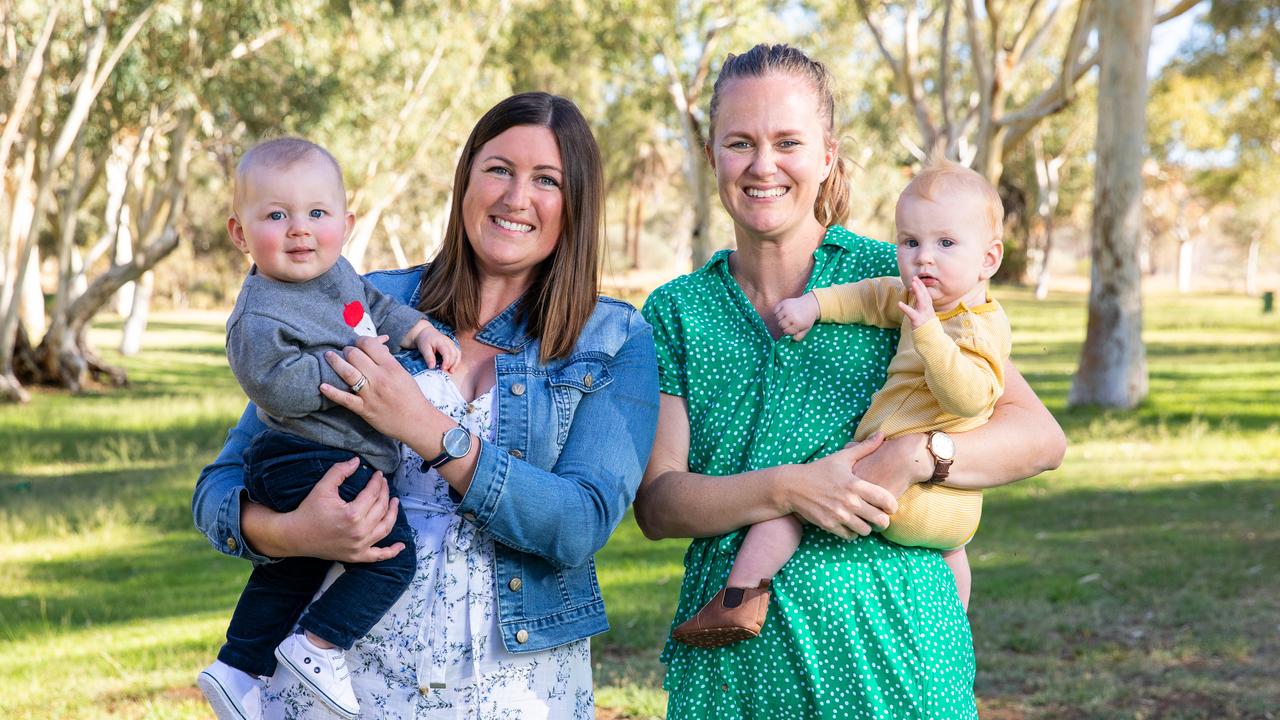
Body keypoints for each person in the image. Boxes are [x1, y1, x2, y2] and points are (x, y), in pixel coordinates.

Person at [192, 92, 659, 720]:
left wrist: (424, 428)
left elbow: (579, 526)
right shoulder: (361, 299)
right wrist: (291, 533)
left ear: (575, 202)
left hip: (515, 696)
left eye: (546, 180)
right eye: (498, 169)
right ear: (465, 178)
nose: (516, 197)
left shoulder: (612, 338)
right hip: (338, 688)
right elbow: (221, 487)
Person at [635, 44, 1065, 718]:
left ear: (828, 154)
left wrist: (918, 455)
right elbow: (659, 505)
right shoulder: (675, 311)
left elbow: (1040, 439)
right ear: (713, 155)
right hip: (733, 673)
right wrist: (788, 488)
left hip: (897, 662)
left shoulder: (902, 278)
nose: (762, 164)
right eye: (740, 142)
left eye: (788, 142)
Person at [675, 154, 1011, 648]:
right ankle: (953, 630)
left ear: (989, 259)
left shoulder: (978, 326)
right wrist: (815, 305)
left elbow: (968, 397)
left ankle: (738, 598)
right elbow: (871, 296)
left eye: (945, 244)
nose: (924, 258)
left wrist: (929, 335)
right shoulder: (918, 296)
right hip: (950, 518)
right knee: (954, 556)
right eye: (911, 242)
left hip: (914, 490)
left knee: (794, 503)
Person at [198, 137, 460, 720]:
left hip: (326, 456)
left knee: (296, 566)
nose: (299, 230)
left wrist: (418, 332)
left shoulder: (338, 275)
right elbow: (276, 385)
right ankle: (316, 646)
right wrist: (358, 365)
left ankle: (237, 667)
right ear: (240, 234)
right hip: (300, 454)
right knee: (390, 554)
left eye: (317, 214)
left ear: (346, 221)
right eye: (276, 215)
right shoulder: (259, 311)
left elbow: (375, 307)